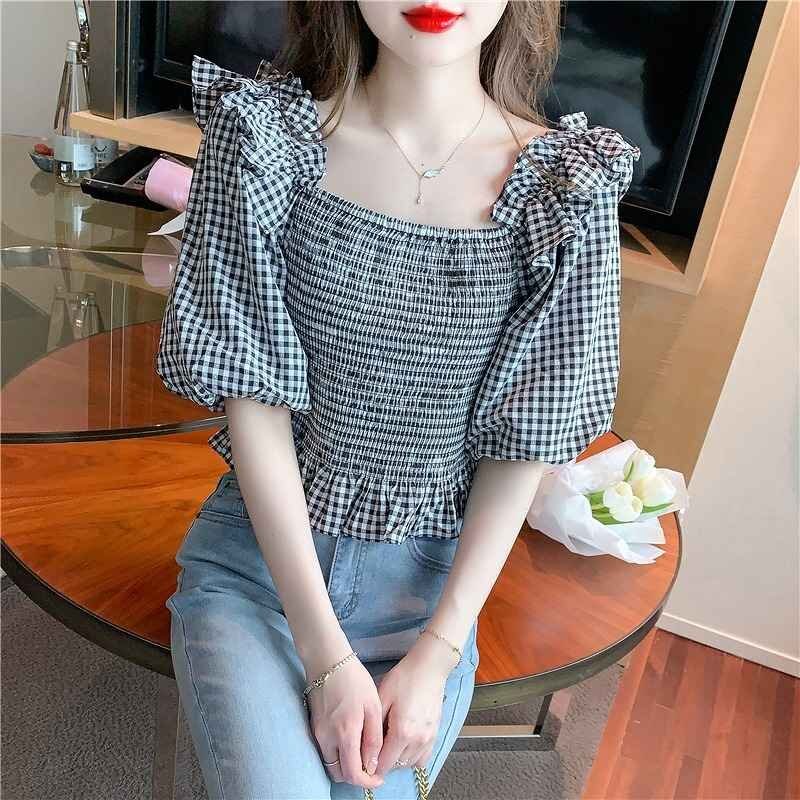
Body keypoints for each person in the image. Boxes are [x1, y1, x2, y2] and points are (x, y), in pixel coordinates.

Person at [155, 2, 641, 798]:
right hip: (262, 574)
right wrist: (326, 659)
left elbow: (525, 441)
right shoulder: (263, 141)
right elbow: (253, 400)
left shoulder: (567, 189)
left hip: (426, 605)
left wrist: (438, 653)